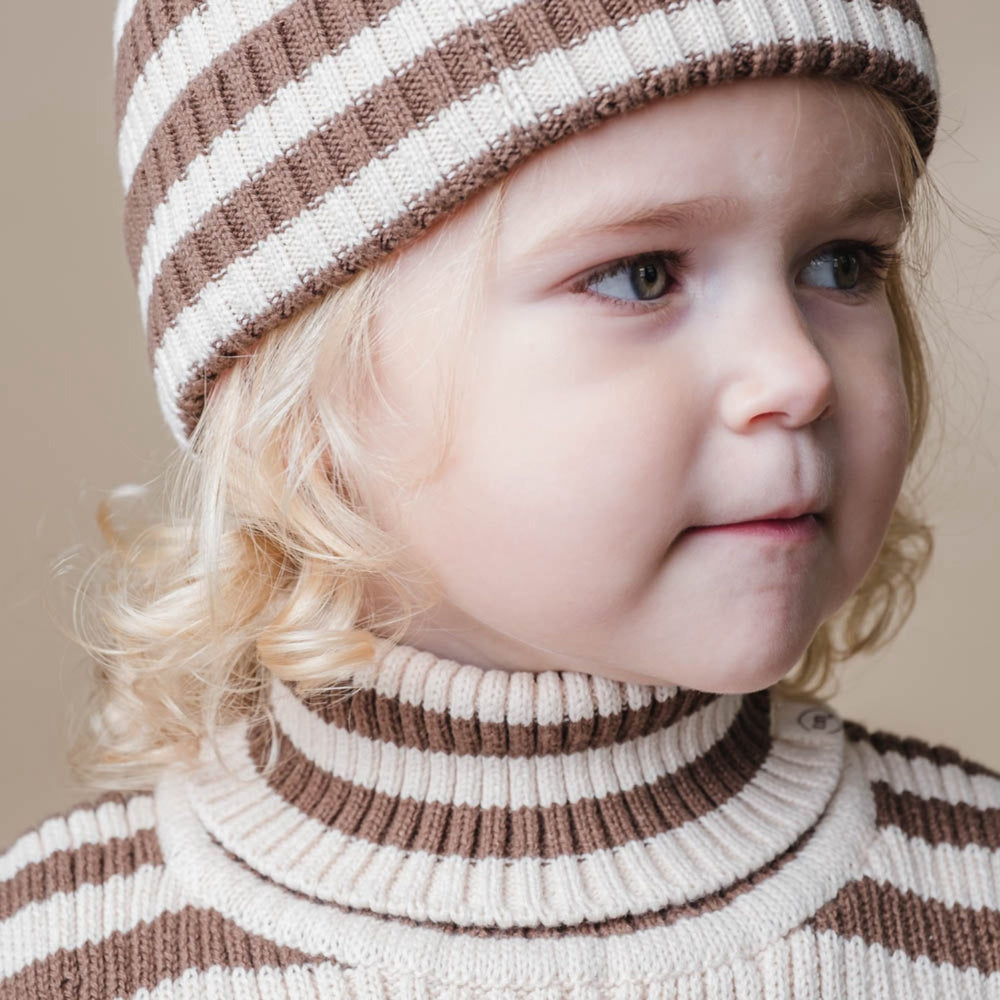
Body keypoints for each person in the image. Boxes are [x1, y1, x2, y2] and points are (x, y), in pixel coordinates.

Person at [0, 0, 996, 996]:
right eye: (641, 276)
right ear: (296, 390)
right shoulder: (66, 957)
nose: (797, 374)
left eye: (841, 264)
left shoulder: (972, 910)